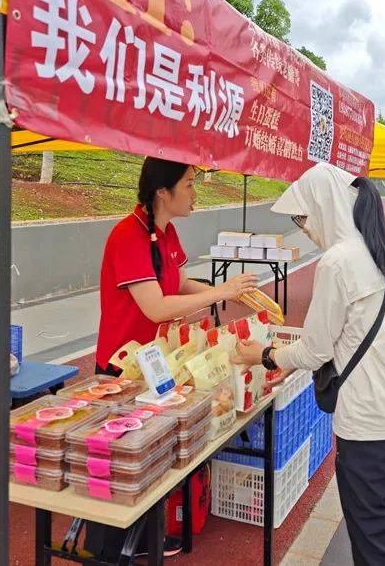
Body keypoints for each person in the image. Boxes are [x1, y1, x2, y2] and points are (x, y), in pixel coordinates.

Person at [234, 163, 385, 566]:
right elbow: (346, 336)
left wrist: (264, 355)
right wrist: (289, 358)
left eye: (303, 218)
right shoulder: (378, 248)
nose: (304, 228)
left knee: (374, 547)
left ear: (325, 208)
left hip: (372, 432)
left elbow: (315, 351)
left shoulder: (337, 261)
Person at [87, 157, 257, 560]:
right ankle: (108, 550)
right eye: (190, 184)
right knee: (122, 462)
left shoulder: (166, 232)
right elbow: (156, 307)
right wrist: (220, 293)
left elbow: (178, 283)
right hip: (122, 369)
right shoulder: (127, 235)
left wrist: (228, 291)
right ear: (163, 192)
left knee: (151, 457)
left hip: (156, 364)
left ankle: (145, 538)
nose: (195, 193)